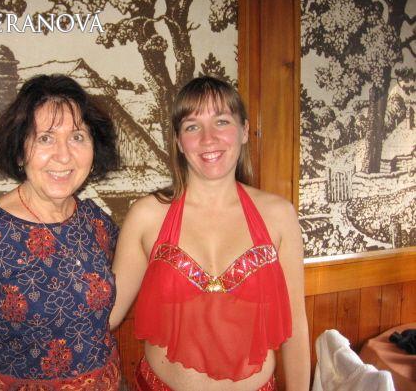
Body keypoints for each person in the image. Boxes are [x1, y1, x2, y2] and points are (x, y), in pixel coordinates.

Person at [109, 76, 310, 390]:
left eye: (222, 121)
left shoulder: (279, 215)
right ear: (179, 142)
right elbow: (106, 316)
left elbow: (295, 327)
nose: (208, 138)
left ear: (244, 130)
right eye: (192, 126)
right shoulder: (147, 216)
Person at [0, 74, 121, 390]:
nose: (64, 155)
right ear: (20, 151)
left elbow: (142, 264)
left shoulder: (96, 222)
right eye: (45, 138)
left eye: (77, 137)